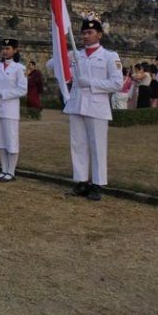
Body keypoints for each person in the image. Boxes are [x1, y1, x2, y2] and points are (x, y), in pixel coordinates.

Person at [64, 14, 123, 202]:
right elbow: (53, 65)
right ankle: (81, 181)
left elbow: (116, 83)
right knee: (78, 144)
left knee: (97, 146)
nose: (85, 36)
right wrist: (62, 55)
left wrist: (90, 83)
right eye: (83, 33)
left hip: (97, 106)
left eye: (90, 32)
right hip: (76, 105)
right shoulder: (76, 54)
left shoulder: (109, 56)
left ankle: (97, 184)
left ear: (99, 35)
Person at [0, 39, 28, 182]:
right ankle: (3, 169)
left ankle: (11, 171)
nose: (5, 51)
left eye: (8, 48)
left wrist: (4, 93)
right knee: (0, 140)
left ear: (15, 50)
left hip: (10, 109)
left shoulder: (19, 68)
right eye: (3, 48)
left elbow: (22, 90)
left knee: (11, 140)